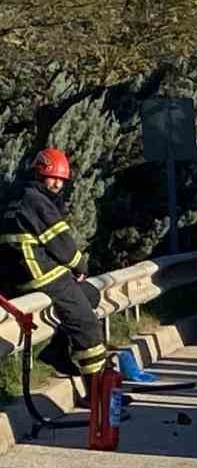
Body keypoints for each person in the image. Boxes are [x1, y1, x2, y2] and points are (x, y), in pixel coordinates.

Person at [0, 149, 108, 380]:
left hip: (22, 275)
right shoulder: (37, 201)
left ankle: (57, 350)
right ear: (40, 174)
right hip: (41, 275)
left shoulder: (18, 196)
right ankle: (97, 391)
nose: (58, 184)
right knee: (86, 326)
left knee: (89, 294)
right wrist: (80, 267)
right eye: (53, 178)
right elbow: (62, 245)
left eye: (61, 180)